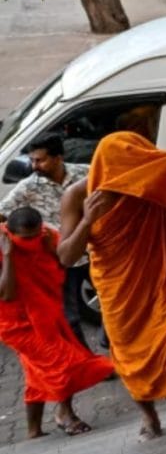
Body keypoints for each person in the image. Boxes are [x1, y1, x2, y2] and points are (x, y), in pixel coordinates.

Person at [57, 120, 166, 441]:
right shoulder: (77, 196)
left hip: (159, 274)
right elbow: (65, 256)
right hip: (118, 288)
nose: (127, 177)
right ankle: (149, 417)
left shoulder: (146, 183)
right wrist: (89, 220)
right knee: (130, 355)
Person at [0, 207, 114, 440]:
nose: (32, 241)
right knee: (63, 363)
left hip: (48, 312)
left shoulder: (47, 236)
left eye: (35, 235)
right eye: (25, 239)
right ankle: (65, 414)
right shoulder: (3, 247)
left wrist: (50, 245)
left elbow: (62, 265)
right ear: (10, 234)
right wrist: (10, 255)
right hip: (15, 325)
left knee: (37, 373)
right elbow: (7, 294)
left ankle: (33, 430)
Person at [0, 133, 91, 348]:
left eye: (40, 160)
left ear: (58, 158)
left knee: (114, 304)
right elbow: (2, 213)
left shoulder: (85, 173)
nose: (34, 165)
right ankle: (87, 362)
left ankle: (116, 348)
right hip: (61, 259)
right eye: (32, 160)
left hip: (93, 252)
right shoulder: (27, 187)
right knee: (70, 318)